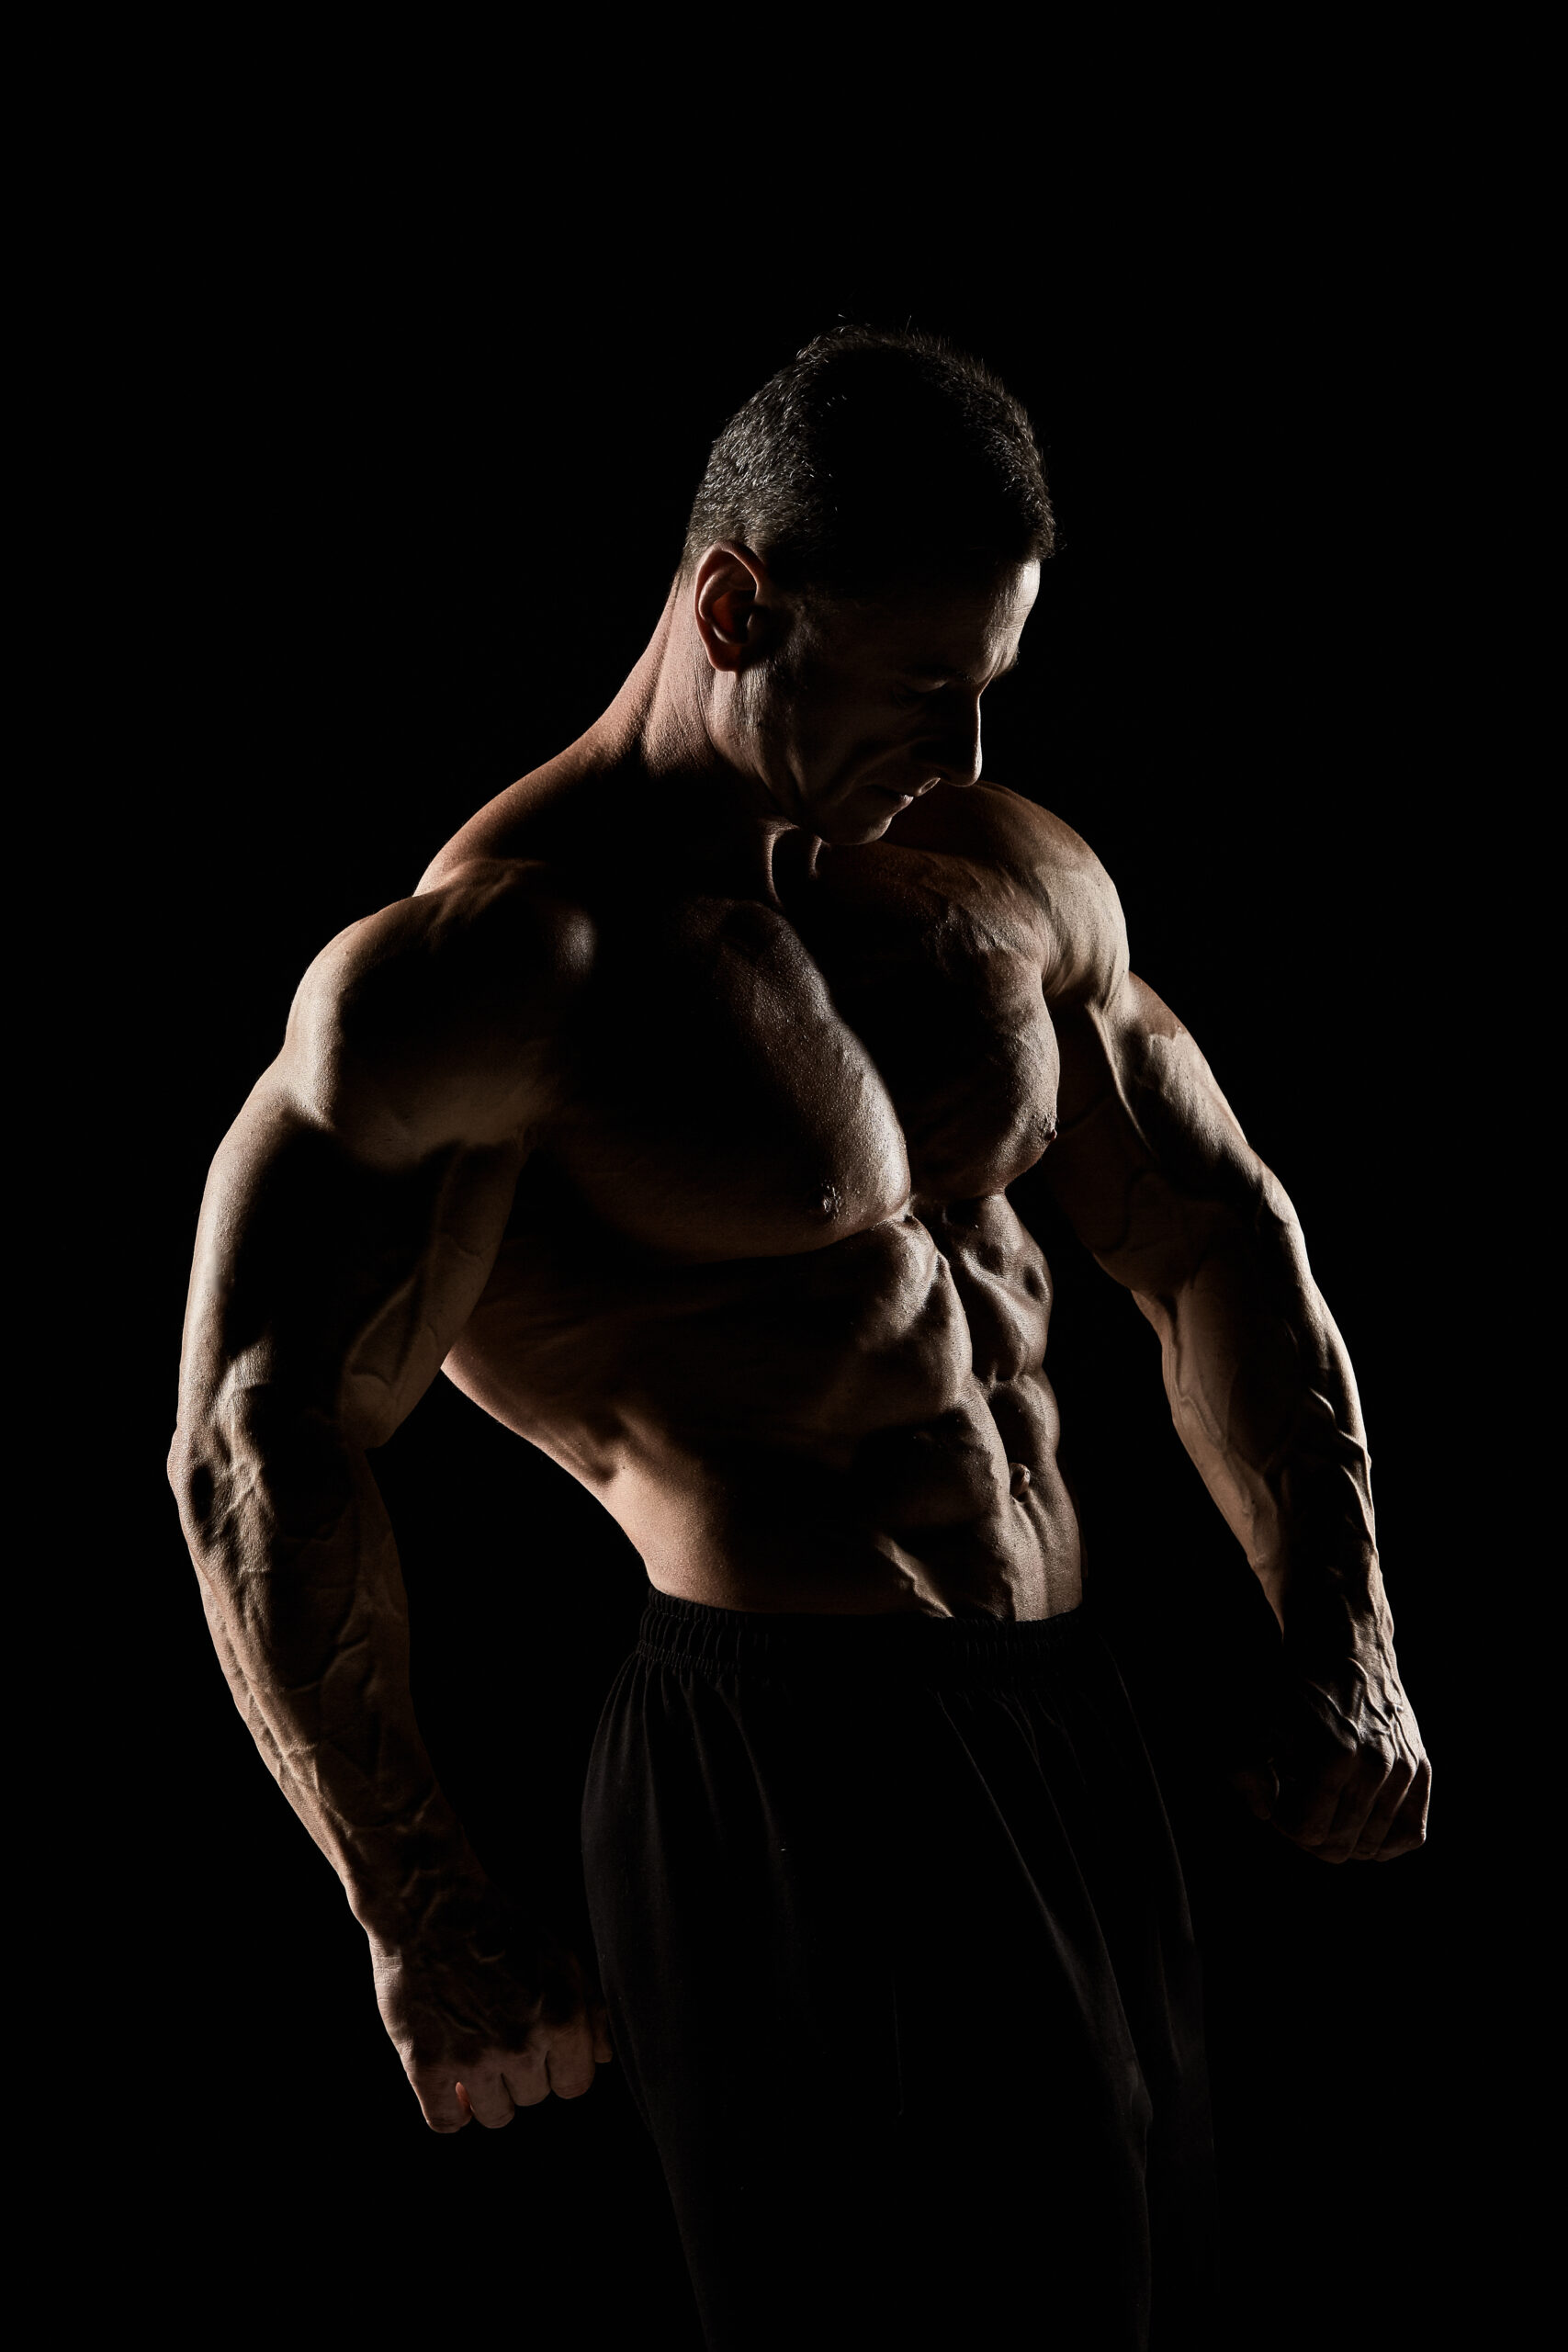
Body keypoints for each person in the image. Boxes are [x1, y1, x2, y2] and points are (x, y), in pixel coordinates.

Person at [169, 328, 1429, 2348]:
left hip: (1066, 1726)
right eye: (923, 680)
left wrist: (1338, 1637)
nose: (970, 746)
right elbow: (255, 1437)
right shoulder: (491, 967)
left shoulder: (997, 881)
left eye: (993, 679)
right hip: (783, 1760)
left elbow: (1213, 1235)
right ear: (737, 604)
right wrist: (414, 1903)